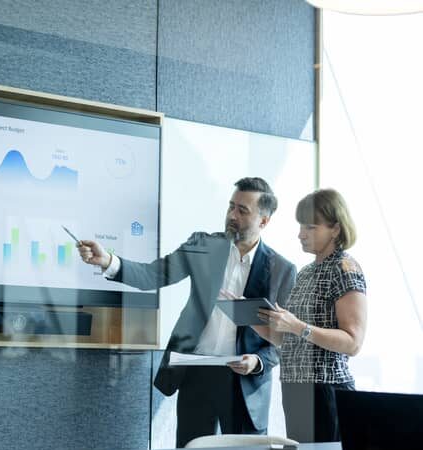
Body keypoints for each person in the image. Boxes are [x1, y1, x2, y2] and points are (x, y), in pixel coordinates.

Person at [77, 177, 296, 448]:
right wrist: (109, 261)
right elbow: (152, 275)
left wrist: (258, 361)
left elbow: (287, 340)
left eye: (242, 210)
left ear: (263, 221)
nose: (232, 215)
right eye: (231, 206)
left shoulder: (282, 270)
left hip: (245, 381)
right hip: (197, 372)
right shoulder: (204, 245)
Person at [255, 189, 367, 443]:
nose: (300, 234)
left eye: (310, 227)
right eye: (300, 226)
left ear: (335, 229)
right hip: (295, 390)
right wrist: (255, 323)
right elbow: (295, 339)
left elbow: (353, 342)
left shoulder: (345, 268)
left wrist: (297, 326)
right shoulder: (306, 272)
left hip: (325, 390)